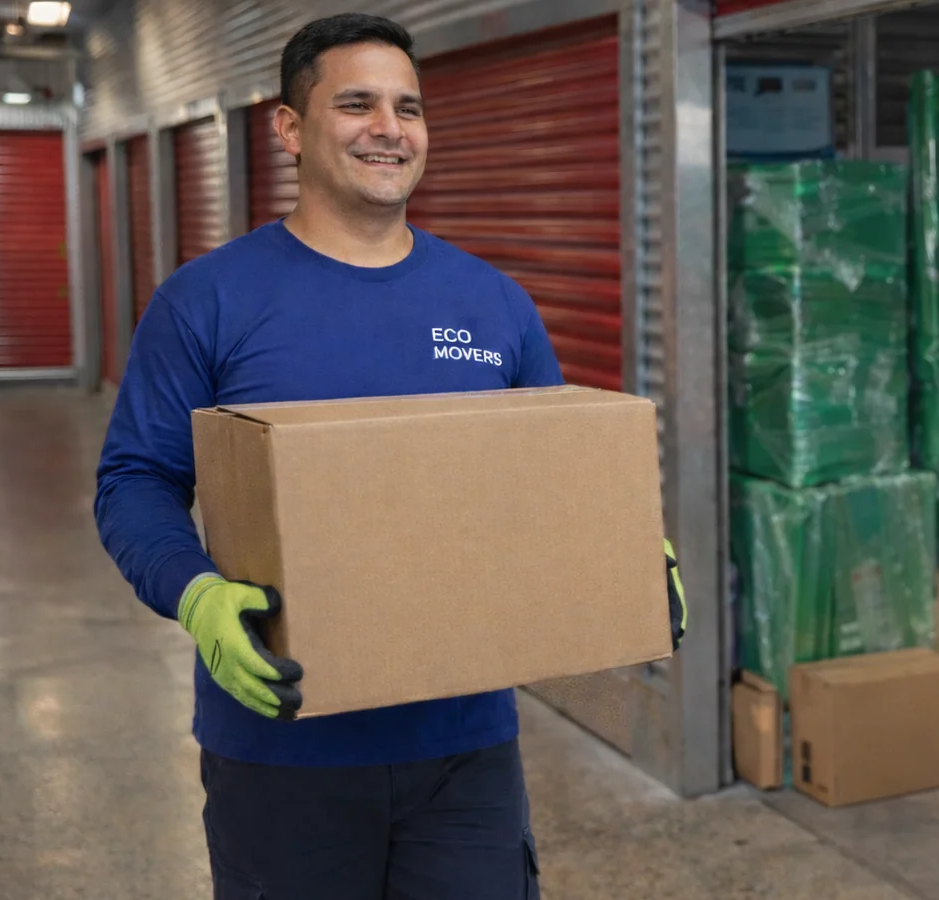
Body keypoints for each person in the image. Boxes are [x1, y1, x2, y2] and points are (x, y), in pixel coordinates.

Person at [94, 13, 685, 900]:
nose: (389, 128)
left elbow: (549, 480)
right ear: (289, 128)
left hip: (465, 748)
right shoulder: (205, 303)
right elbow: (135, 480)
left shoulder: (492, 304)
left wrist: (632, 556)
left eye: (408, 108)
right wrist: (196, 592)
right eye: (357, 103)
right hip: (281, 742)